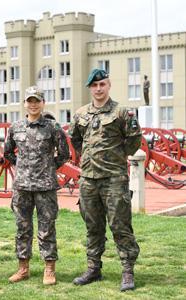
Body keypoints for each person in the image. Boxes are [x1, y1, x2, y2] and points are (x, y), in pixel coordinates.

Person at [69, 69, 142, 292]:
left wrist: (114, 159)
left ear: (108, 85)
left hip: (114, 179)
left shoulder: (122, 112)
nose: (98, 89)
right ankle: (93, 268)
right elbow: (76, 140)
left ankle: (127, 271)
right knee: (93, 227)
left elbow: (133, 142)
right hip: (89, 180)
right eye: (94, 85)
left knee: (120, 226)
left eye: (102, 84)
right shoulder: (81, 114)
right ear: (90, 88)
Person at [3, 86, 69, 285]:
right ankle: (23, 268)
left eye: (37, 101)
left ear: (42, 103)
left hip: (45, 187)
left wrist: (48, 167)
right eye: (30, 101)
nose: (33, 104)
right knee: (22, 228)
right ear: (24, 104)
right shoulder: (16, 127)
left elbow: (64, 154)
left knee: (47, 228)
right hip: (22, 186)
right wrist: (23, 166)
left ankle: (49, 269)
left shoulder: (53, 127)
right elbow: (8, 153)